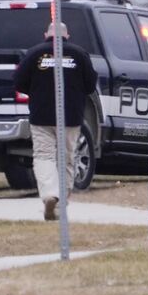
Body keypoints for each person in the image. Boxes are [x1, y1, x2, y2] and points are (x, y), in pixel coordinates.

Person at [13, 22, 95, 220]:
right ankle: (62, 200)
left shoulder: (34, 54)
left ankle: (50, 194)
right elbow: (91, 84)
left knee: (44, 156)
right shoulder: (79, 54)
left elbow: (18, 81)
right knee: (67, 157)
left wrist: (36, 90)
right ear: (67, 35)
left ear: (46, 35)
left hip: (41, 115)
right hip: (71, 116)